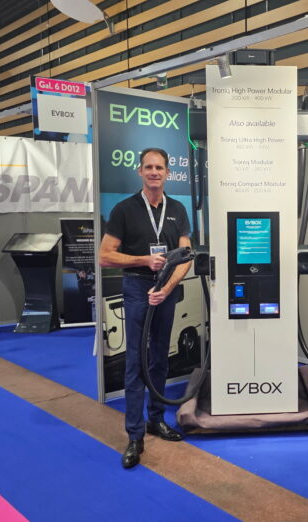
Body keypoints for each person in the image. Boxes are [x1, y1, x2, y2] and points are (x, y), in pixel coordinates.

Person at [99, 148, 192, 469]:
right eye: (149, 167)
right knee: (136, 361)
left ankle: (156, 419)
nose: (154, 172)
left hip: (166, 289)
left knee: (160, 358)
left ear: (168, 173)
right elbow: (105, 255)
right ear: (140, 171)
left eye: (160, 167)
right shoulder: (124, 210)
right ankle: (134, 434)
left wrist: (166, 288)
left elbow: (186, 256)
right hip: (137, 287)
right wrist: (143, 260)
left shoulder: (177, 209)